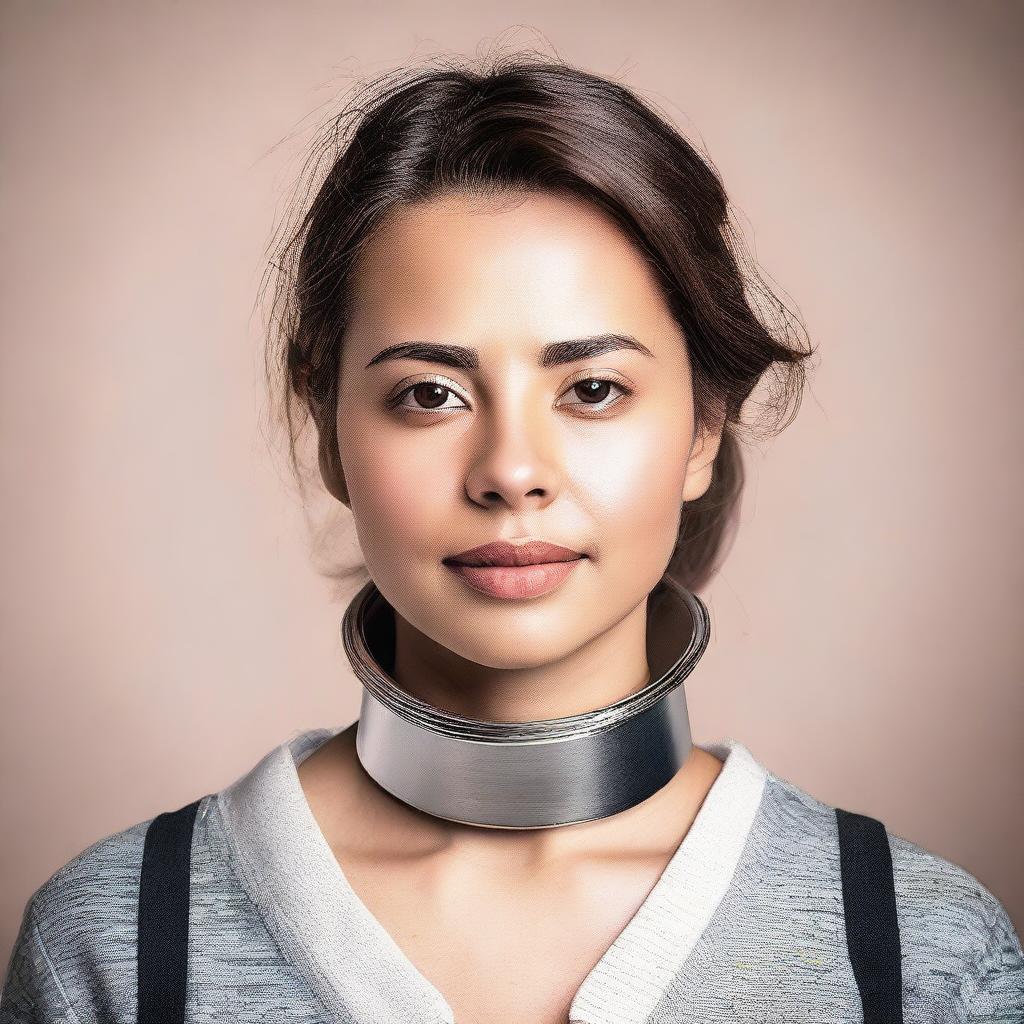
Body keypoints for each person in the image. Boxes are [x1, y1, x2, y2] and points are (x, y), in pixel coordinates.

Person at [2, 53, 1022, 1024]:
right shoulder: (119, 942)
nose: (511, 470)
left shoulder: (918, 945)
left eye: (591, 388)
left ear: (704, 429)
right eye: (429, 393)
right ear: (326, 433)